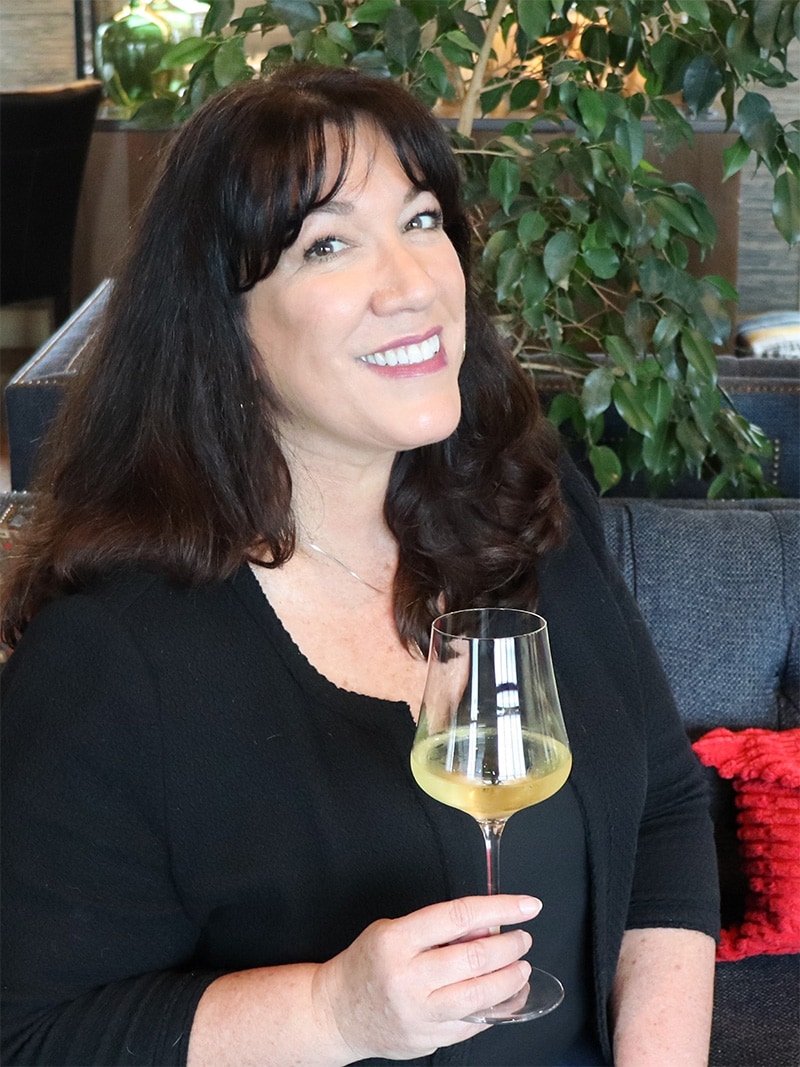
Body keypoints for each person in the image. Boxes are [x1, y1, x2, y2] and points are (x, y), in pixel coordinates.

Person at [0, 63, 719, 1067]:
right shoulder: (112, 658)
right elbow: (32, 1033)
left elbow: (666, 809)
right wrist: (331, 1012)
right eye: (328, 243)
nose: (412, 283)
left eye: (421, 221)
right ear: (223, 327)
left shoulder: (524, 505)